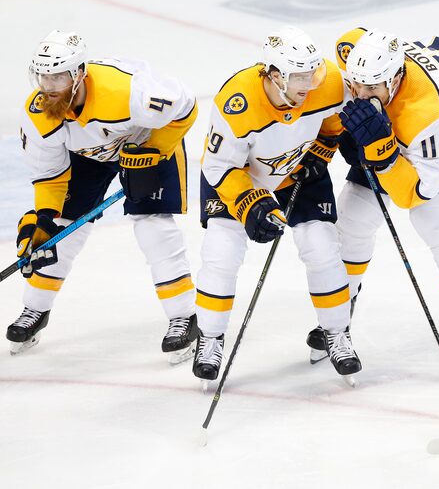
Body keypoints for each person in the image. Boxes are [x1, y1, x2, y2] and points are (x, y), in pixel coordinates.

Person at [312, 27, 439, 378]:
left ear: (396, 76)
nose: (361, 94)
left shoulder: (424, 112)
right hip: (406, 118)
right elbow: (351, 41)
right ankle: (338, 317)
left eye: (372, 88)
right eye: (356, 84)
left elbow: (415, 192)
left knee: (434, 217)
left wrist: (382, 151)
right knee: (353, 216)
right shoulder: (357, 61)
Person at [10, 30, 199, 363]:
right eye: (44, 76)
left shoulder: (127, 93)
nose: (50, 86)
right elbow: (50, 176)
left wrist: (155, 149)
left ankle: (184, 317)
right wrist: (42, 220)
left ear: (79, 73)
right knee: (61, 230)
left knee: (151, 225)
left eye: (59, 77)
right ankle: (35, 310)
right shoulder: (39, 114)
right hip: (88, 154)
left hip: (146, 142)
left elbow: (186, 107)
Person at [195, 26, 359, 384]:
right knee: (221, 253)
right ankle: (209, 337)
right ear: (273, 74)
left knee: (322, 248)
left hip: (298, 170)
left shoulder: (327, 81)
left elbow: (334, 118)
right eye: (299, 75)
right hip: (237, 180)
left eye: (312, 72)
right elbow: (219, 166)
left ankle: (336, 332)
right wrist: (251, 205)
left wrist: (325, 146)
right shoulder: (237, 102)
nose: (310, 82)